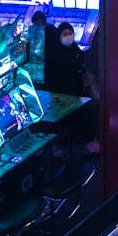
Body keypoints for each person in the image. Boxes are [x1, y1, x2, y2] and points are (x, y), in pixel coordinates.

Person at [43, 22, 99, 150]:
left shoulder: (75, 50)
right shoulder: (55, 55)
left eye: (70, 34)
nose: (68, 37)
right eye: (64, 34)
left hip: (77, 93)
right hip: (63, 95)